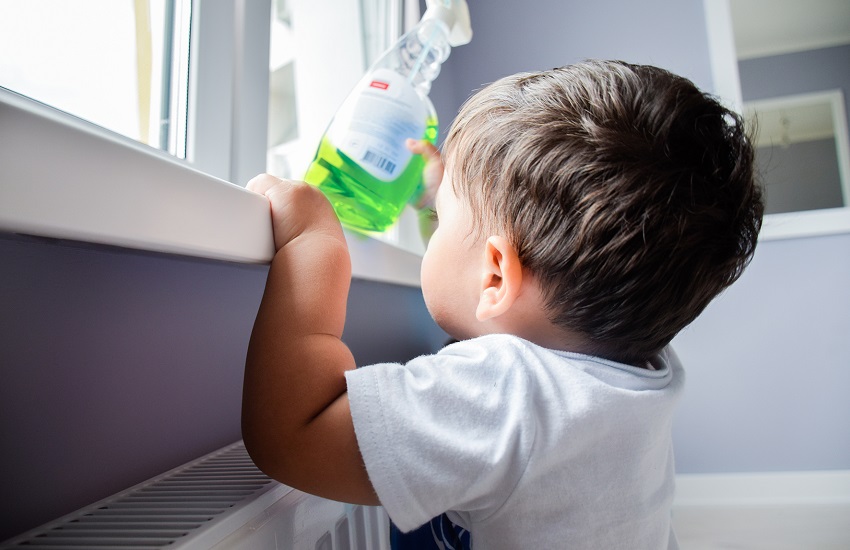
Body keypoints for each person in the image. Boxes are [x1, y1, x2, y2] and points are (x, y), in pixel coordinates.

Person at [241, 60, 764, 549]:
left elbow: (294, 434)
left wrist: (313, 244)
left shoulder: (506, 396)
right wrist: (437, 205)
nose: (437, 226)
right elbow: (488, 280)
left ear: (495, 275)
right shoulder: (640, 370)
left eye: (443, 220)